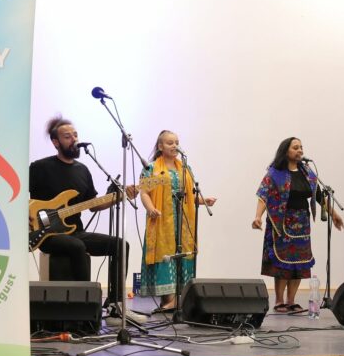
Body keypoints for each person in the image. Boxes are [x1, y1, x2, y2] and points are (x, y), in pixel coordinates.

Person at [29, 116, 131, 301]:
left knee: (121, 245)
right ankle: (85, 302)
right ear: (56, 142)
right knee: (77, 246)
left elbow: (94, 205)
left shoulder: (82, 170)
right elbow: (17, 196)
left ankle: (116, 302)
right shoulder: (39, 167)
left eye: (75, 135)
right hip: (46, 235)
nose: (74, 139)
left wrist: (119, 197)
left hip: (75, 231)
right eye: (67, 136)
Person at [252, 137, 344, 313]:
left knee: (299, 263)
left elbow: (319, 196)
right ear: (286, 151)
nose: (300, 150)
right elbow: (263, 196)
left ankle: (291, 301)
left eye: (301, 147)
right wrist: (257, 217)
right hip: (281, 223)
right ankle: (279, 301)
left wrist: (334, 214)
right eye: (296, 147)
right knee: (282, 263)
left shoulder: (307, 172)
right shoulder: (274, 173)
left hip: (302, 224)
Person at [139, 130, 216, 312]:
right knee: (165, 255)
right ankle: (169, 300)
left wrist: (203, 201)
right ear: (160, 146)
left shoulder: (185, 169)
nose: (174, 146)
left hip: (182, 219)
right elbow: (144, 193)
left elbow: (190, 195)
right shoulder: (152, 168)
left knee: (182, 253)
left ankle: (181, 299)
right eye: (169, 143)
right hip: (161, 218)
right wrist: (151, 209)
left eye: (176, 142)